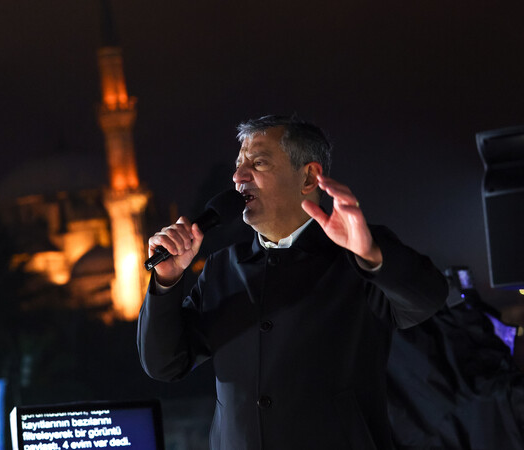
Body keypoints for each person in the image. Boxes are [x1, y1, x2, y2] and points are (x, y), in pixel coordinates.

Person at [137, 115, 448, 449]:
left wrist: (371, 254)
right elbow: (165, 365)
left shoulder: (356, 256)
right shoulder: (221, 269)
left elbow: (428, 297)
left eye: (258, 163)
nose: (238, 176)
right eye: (238, 165)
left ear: (309, 177)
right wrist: (167, 283)